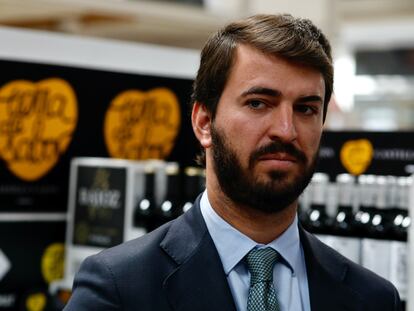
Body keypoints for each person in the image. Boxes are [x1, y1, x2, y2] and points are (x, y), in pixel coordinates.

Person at [64, 14, 402, 311]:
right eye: (258, 103)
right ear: (204, 123)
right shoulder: (119, 288)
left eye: (306, 109)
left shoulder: (371, 298)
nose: (286, 131)